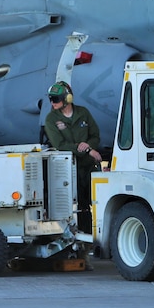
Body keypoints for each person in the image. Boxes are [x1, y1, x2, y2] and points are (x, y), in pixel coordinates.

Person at [43, 81, 102, 236]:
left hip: (88, 167)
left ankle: (96, 236)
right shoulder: (51, 120)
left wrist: (88, 145)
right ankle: (81, 237)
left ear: (67, 98)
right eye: (51, 99)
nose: (52, 103)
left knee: (96, 202)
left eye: (55, 99)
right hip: (69, 170)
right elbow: (60, 144)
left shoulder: (83, 113)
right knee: (77, 206)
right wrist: (85, 149)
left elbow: (95, 135)